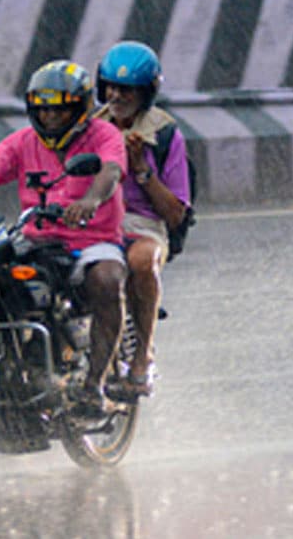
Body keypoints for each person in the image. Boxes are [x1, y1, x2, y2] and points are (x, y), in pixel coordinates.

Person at [0, 60, 128, 416]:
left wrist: (91, 200)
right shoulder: (20, 143)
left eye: (59, 109)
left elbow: (109, 171)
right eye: (43, 109)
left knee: (107, 281)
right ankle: (15, 364)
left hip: (92, 240)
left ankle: (94, 384)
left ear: (79, 108)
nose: (49, 117)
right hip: (36, 237)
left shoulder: (104, 136)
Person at [95, 41, 191, 400]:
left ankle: (142, 355)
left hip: (142, 223)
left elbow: (175, 213)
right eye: (111, 87)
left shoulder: (165, 134)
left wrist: (141, 170)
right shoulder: (89, 128)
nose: (117, 96)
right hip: (94, 219)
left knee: (139, 260)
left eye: (127, 90)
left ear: (146, 93)